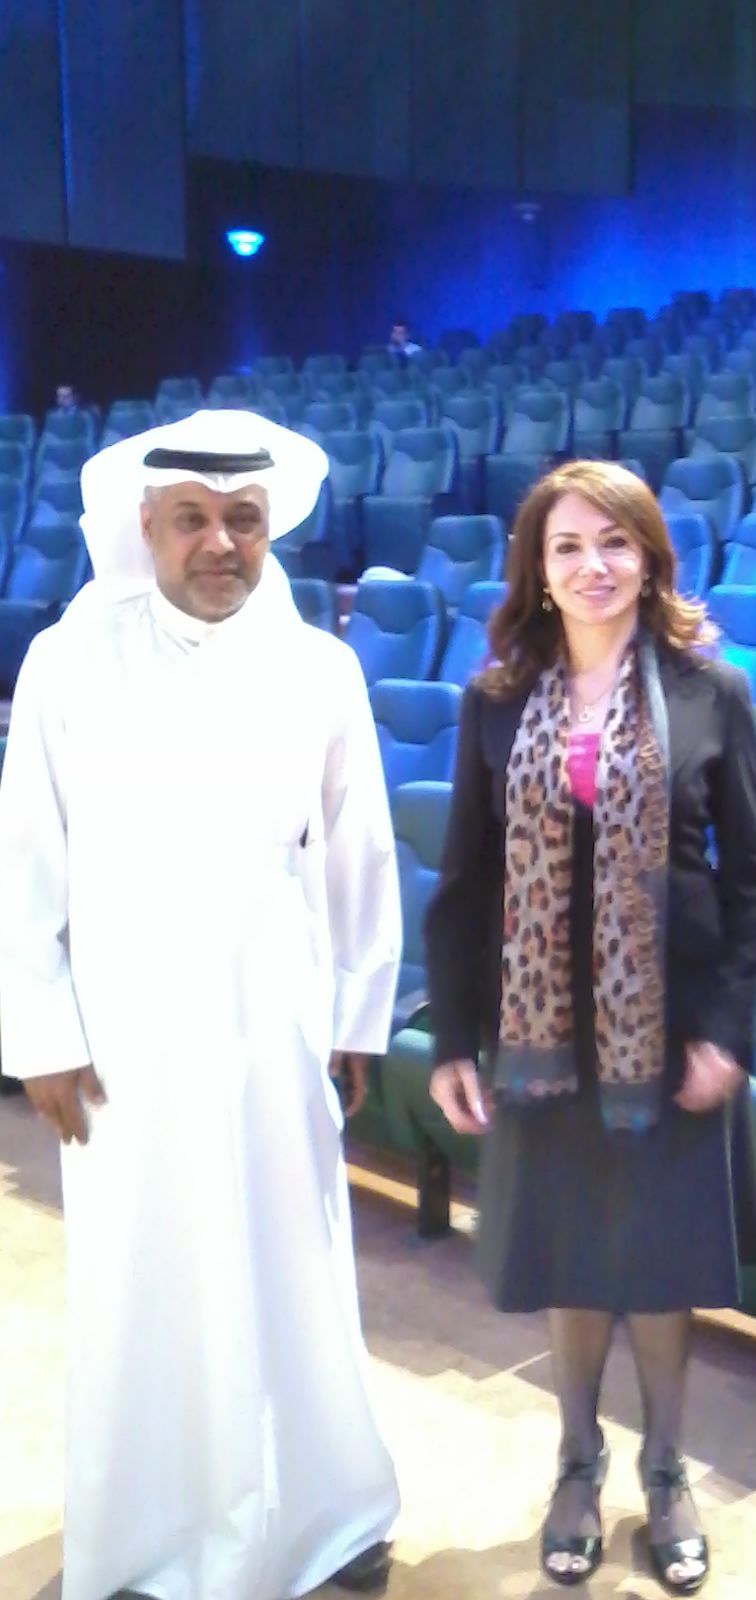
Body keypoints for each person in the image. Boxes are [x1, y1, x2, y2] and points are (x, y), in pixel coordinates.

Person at [0, 410, 403, 1600]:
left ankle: (326, 1515)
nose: (220, 543)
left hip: (277, 1029)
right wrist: (41, 1036)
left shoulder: (320, 668)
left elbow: (360, 854)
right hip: (126, 1042)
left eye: (243, 520)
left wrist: (354, 1018)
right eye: (194, 520)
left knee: (295, 1271)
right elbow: (26, 862)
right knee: (145, 1286)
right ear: (147, 527)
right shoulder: (70, 660)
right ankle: (152, 1541)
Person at [424, 459, 756, 1594]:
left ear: (651, 557)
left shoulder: (712, 692)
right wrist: (456, 1039)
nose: (592, 566)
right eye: (567, 545)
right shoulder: (493, 700)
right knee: (575, 1256)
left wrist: (727, 1028)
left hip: (666, 1030)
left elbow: (753, 881)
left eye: (614, 543)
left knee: (660, 1268)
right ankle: (578, 1463)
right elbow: (465, 883)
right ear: (537, 564)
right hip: (538, 1034)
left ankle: (669, 1474)